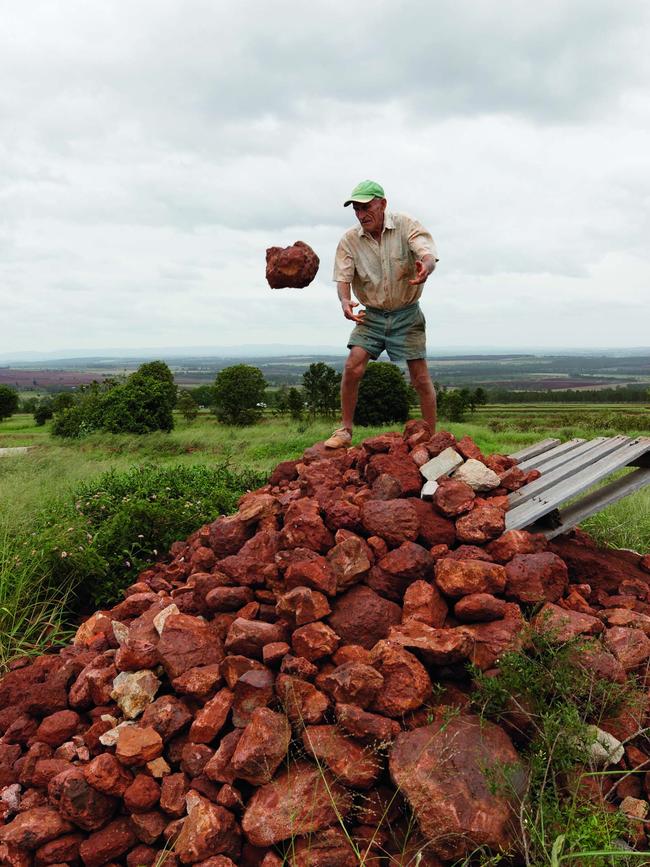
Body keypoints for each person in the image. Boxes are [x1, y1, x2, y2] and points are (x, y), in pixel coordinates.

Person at [324, 179, 439, 449]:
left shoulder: (405, 224)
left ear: (382, 204)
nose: (362, 214)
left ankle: (431, 439)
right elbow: (343, 276)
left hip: (406, 314)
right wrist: (344, 301)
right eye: (356, 209)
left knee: (420, 378)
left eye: (366, 207)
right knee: (353, 365)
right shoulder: (350, 240)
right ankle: (345, 431)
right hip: (372, 315)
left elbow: (426, 252)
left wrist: (427, 266)